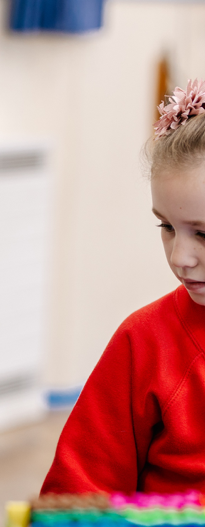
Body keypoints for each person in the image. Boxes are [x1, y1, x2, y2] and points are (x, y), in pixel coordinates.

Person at [43, 79, 205, 495]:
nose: (179, 258)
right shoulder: (144, 340)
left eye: (203, 234)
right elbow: (77, 493)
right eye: (167, 227)